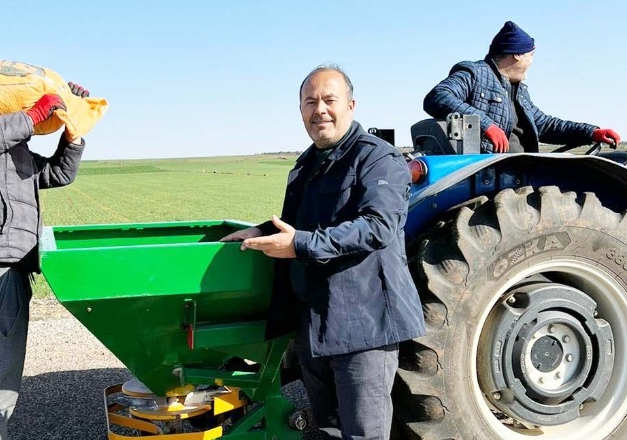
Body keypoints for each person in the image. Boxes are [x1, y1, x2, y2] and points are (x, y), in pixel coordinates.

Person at [221, 65, 426, 439]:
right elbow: (296, 222)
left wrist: (298, 245)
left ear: (350, 104)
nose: (320, 110)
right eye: (310, 102)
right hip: (314, 326)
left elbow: (377, 227)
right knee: (329, 429)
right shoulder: (305, 164)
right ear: (300, 109)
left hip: (365, 327)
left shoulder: (378, 159)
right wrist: (255, 234)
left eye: (329, 100)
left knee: (365, 433)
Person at [0, 82, 91, 440]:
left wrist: (72, 134)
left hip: (4, 263)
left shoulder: (11, 150)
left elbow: (58, 174)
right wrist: (32, 115)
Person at [423, 20, 621, 153]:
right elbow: (438, 96)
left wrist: (591, 132)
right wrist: (486, 125)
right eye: (531, 55)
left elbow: (544, 124)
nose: (532, 61)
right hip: (493, 171)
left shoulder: (518, 90)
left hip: (520, 170)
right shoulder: (474, 73)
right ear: (517, 54)